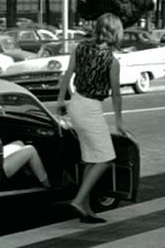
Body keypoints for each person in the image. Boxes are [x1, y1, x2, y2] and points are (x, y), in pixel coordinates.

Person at [56, 13, 126, 224]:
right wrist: (119, 122)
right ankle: (78, 200)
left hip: (75, 102)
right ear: (115, 33)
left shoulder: (80, 48)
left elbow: (67, 75)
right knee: (105, 158)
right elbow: (116, 93)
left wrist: (60, 101)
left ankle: (85, 209)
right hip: (90, 107)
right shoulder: (112, 61)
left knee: (90, 158)